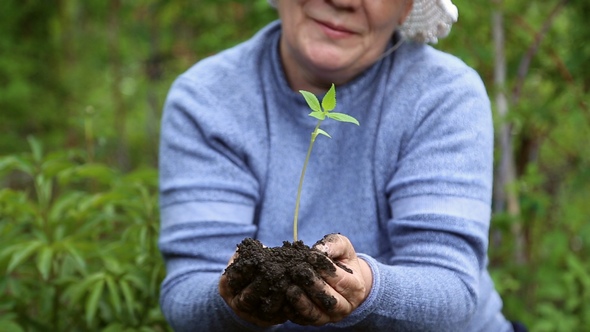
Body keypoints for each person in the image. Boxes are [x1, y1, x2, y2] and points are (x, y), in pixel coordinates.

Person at [158, 0, 523, 331]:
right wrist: (234, 296)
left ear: (406, 7)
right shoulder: (208, 99)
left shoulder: (442, 94)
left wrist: (366, 287)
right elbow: (188, 292)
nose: (342, 1)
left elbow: (451, 291)